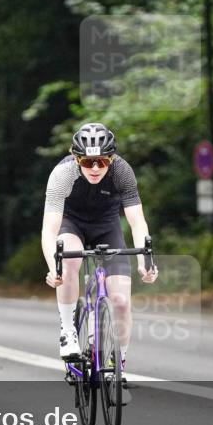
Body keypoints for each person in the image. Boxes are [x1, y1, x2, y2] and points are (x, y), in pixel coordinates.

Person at [41, 123, 158, 405]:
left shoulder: (122, 171)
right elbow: (49, 230)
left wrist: (145, 259)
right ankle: (68, 329)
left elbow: (136, 220)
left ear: (112, 159)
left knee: (120, 302)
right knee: (71, 260)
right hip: (72, 224)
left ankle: (116, 371)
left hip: (107, 227)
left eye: (102, 161)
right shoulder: (62, 173)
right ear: (76, 158)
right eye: (88, 162)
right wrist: (52, 267)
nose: (95, 168)